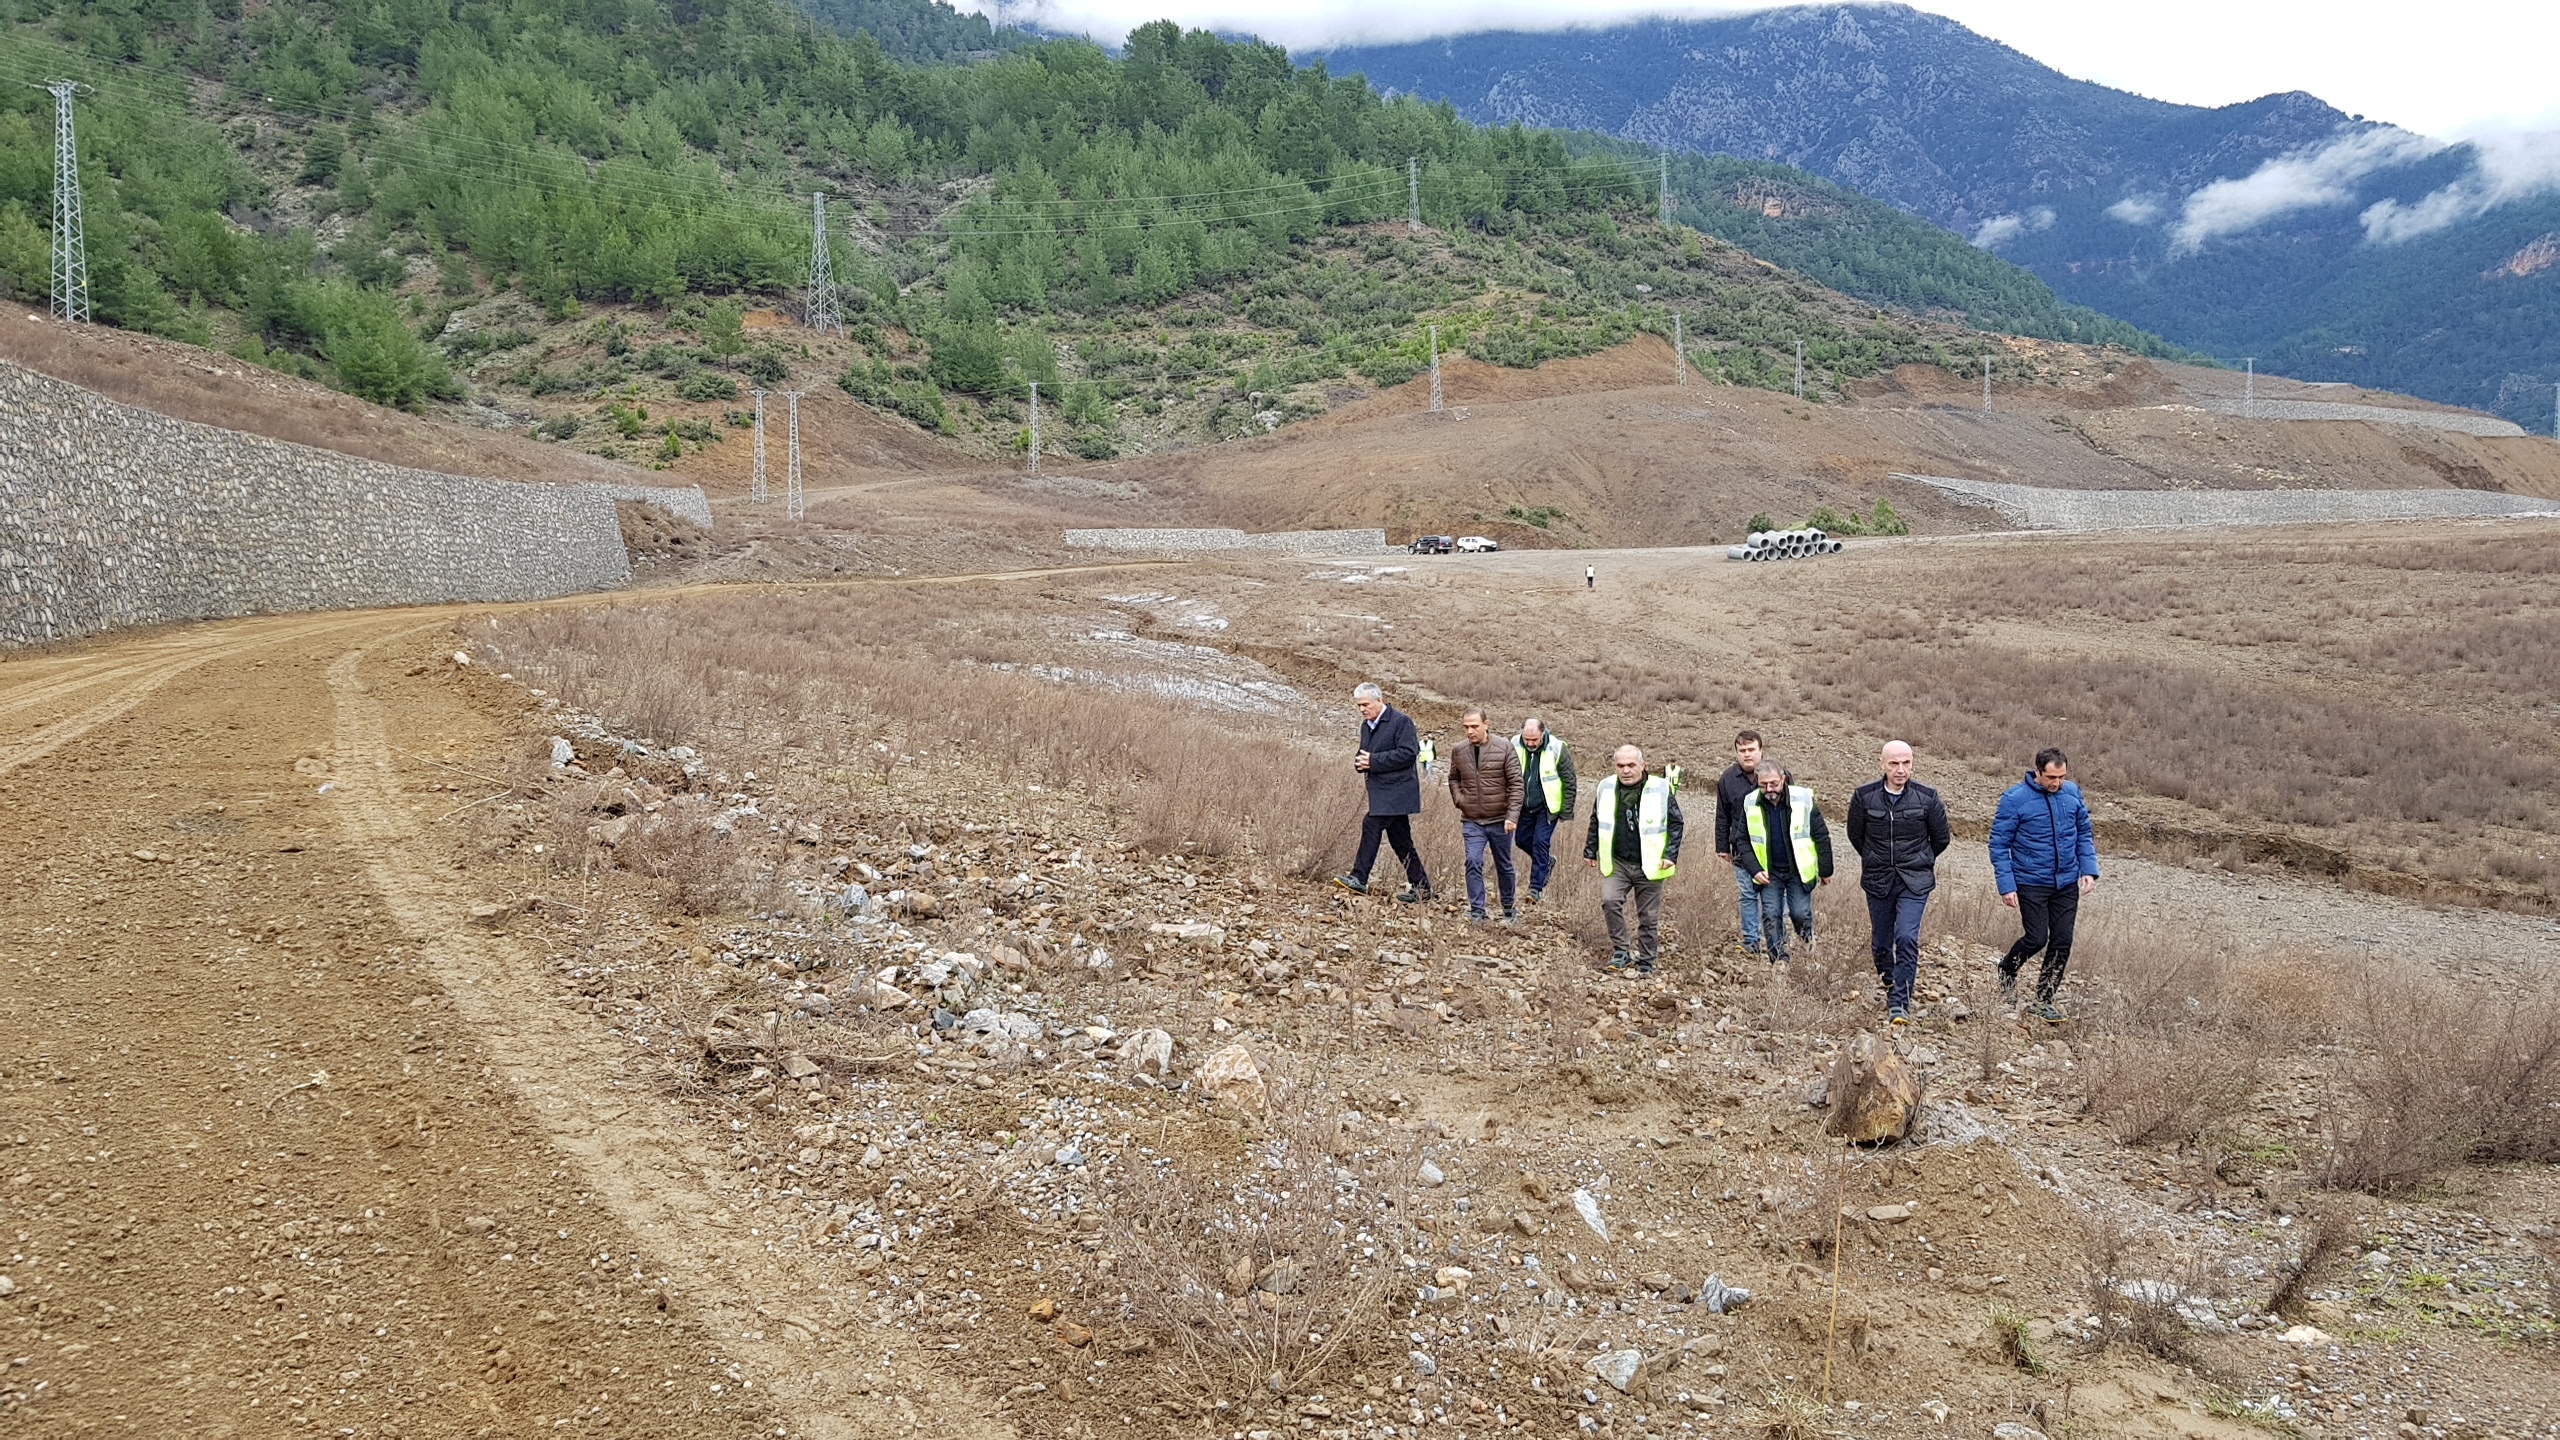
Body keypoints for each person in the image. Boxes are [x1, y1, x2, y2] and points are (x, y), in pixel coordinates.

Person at [1989, 747, 2099, 1022]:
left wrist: (2089, 870)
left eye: (2061, 777)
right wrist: (2007, 885)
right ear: (2037, 772)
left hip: (2066, 882)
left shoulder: (2072, 794)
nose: (2056, 783)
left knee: (2062, 941)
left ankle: (2043, 1000)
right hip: (2030, 881)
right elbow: (1999, 845)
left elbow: (2083, 833)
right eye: (2051, 777)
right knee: (2037, 938)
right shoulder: (2015, 800)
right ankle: (2007, 969)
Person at [1846, 740, 1950, 1025]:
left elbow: (1941, 838)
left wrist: (1920, 859)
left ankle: (1900, 1002)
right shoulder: (1864, 797)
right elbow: (1856, 836)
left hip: (1914, 881)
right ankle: (1891, 981)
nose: (1901, 769)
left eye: (1906, 763)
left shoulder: (1927, 797)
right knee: (1881, 944)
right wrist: (1874, 858)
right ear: (1882, 764)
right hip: (1878, 880)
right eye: (1894, 763)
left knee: (1906, 937)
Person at [1583, 744, 1684, 975]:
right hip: (1617, 861)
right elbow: (1596, 819)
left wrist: (1671, 855)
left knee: (1648, 916)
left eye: (1631, 765)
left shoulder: (1660, 787)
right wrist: (1590, 850)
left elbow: (1676, 823)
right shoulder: (1605, 787)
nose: (1626, 770)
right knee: (1610, 901)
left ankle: (1647, 960)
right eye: (1620, 766)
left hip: (1651, 863)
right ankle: (1621, 950)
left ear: (1643, 765)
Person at [1333, 683, 1433, 903]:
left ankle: (1359, 877)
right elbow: (1364, 753)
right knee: (1401, 841)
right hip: (1380, 791)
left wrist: (1373, 761)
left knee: (1372, 823)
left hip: (1398, 790)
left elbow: (1408, 753)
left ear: (1379, 700)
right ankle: (1422, 887)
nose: (1362, 709)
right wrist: (1360, 762)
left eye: (1365, 704)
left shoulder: (1401, 722)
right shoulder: (1366, 725)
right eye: (1359, 705)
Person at [1743, 761, 1833, 964]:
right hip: (1769, 873)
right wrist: (1755, 870)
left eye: (1774, 784)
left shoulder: (1803, 799)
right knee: (1771, 914)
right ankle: (1778, 959)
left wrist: (1826, 870)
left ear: (1783, 779)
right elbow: (1742, 840)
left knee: (1800, 913)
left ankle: (1807, 947)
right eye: (1764, 785)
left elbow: (1821, 836)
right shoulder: (1750, 803)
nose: (1769, 789)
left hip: (1798, 872)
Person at [1446, 708, 1524, 925]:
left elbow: (1517, 784)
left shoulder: (1504, 748)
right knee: (1473, 861)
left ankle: (1508, 908)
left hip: (1500, 819)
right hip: (1472, 820)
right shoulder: (1459, 750)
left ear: (1486, 725)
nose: (1469, 731)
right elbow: (1453, 778)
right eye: (1466, 727)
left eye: (1474, 727)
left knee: (1504, 864)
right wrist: (1460, 800)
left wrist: (1512, 816)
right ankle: (1477, 910)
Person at [1712, 730, 1768, 958]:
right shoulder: (1727, 779)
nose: (1747, 755)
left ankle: (1777, 940)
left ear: (1761, 750)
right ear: (1736, 753)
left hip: (1775, 849)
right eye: (1742, 751)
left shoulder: (1778, 774)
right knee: (1747, 895)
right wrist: (1722, 846)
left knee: (1775, 896)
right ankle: (1751, 940)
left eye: (1751, 750)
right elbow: (1722, 815)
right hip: (1742, 849)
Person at [1510, 717, 1578, 903]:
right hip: (1524, 805)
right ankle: (1546, 862)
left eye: (1534, 740)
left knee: (1541, 842)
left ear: (1543, 733)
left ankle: (1535, 889)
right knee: (1522, 840)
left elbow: (1569, 780)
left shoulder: (1557, 748)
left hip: (1548, 807)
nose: (1530, 743)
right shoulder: (1514, 743)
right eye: (1527, 739)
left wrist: (1566, 811)